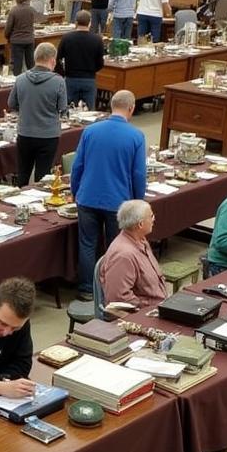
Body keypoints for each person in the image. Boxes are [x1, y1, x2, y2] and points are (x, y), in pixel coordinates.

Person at [71, 89, 146, 300]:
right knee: (116, 247)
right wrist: (138, 202)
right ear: (131, 108)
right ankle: (111, 289)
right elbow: (138, 174)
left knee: (87, 244)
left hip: (87, 198)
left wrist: (75, 191)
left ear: (111, 106)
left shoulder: (90, 131)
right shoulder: (136, 136)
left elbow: (78, 166)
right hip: (118, 202)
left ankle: (86, 289)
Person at [8, 41, 67, 186]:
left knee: (23, 173)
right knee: (43, 176)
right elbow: (62, 108)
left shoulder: (20, 79)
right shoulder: (58, 81)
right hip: (48, 135)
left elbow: (11, 104)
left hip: (25, 133)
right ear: (52, 60)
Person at [98, 200, 167, 311]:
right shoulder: (123, 256)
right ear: (140, 224)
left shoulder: (140, 240)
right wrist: (146, 308)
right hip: (142, 314)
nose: (154, 219)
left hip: (158, 306)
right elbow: (117, 300)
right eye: (151, 216)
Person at [56, 9, 105, 108]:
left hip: (70, 78)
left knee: (68, 109)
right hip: (89, 79)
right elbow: (100, 62)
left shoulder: (66, 38)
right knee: (90, 111)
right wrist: (92, 71)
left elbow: (58, 59)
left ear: (76, 22)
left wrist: (63, 73)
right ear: (90, 23)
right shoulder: (97, 40)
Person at [4, 0, 37, 76]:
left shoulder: (14, 11)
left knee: (17, 63)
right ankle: (33, 79)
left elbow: (8, 27)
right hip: (29, 40)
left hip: (17, 40)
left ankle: (17, 80)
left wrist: (7, 36)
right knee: (30, 62)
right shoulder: (31, 10)